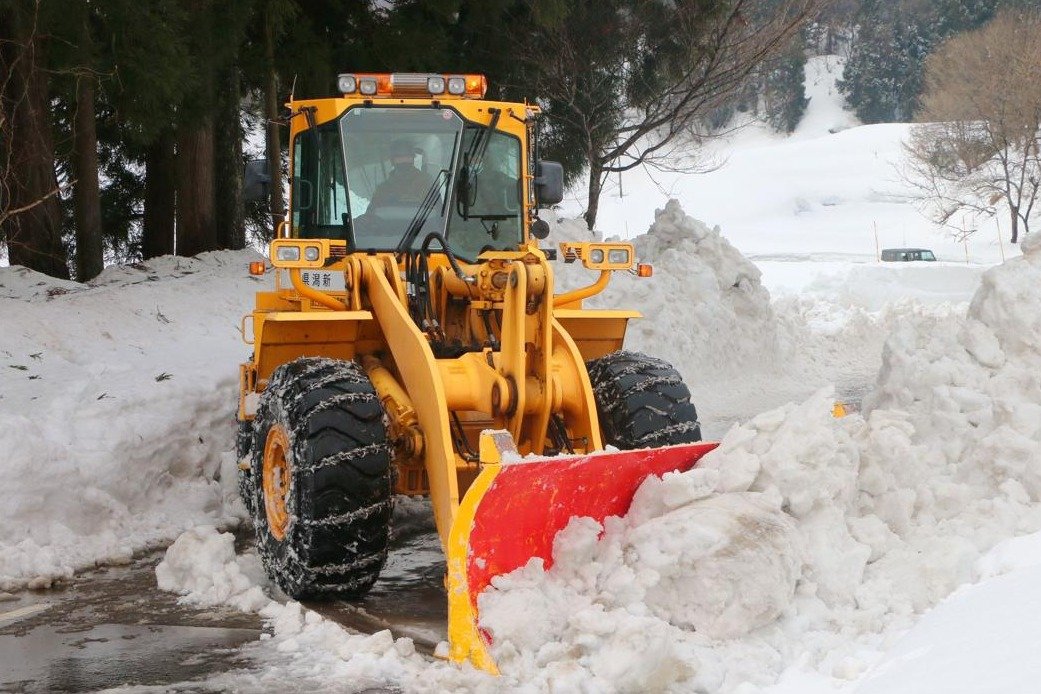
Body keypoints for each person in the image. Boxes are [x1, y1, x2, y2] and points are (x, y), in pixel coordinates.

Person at [368, 139, 435, 211]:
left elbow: (440, 214)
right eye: (399, 157)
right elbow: (370, 216)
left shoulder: (426, 183)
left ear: (412, 159)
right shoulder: (383, 189)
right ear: (392, 161)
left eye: (407, 157)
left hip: (422, 222)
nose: (403, 160)